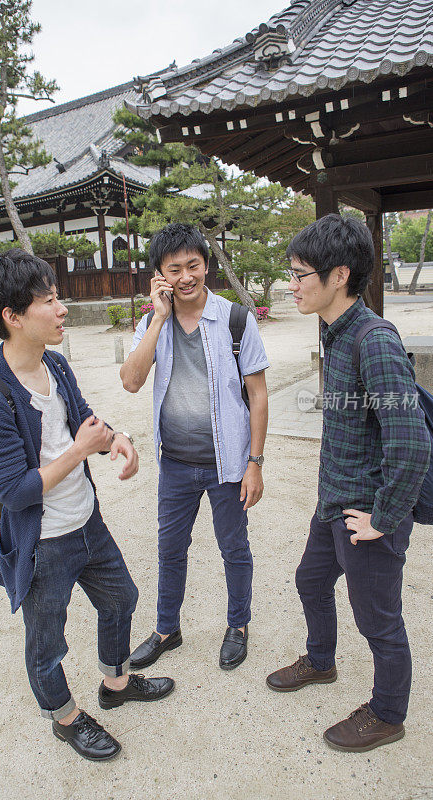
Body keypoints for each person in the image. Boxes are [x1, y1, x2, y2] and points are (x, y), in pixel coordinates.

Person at [0, 249, 174, 762]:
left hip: (87, 520)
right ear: (12, 317)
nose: (62, 309)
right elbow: (13, 491)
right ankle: (65, 717)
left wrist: (116, 437)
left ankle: (116, 682)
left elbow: (83, 419)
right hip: (42, 543)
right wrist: (82, 450)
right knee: (46, 642)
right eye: (49, 301)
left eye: (58, 297)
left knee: (121, 598)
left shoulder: (54, 363)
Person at [266, 214, 430, 752]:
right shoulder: (333, 331)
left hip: (366, 517)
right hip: (333, 503)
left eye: (299, 273)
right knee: (310, 581)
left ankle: (388, 713)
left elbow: (410, 443)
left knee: (380, 622)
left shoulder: (375, 340)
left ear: (338, 275)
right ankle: (321, 660)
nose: (292, 284)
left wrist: (383, 518)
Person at [120, 223, 269, 671]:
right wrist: (159, 316)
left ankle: (237, 625)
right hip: (176, 464)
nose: (186, 277)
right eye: (174, 269)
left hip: (227, 463)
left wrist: (255, 463)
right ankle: (168, 628)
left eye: (194, 265)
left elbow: (258, 395)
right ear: (159, 275)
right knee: (170, 548)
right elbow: (130, 381)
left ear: (206, 264)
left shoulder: (236, 318)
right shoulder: (153, 322)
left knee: (233, 548)